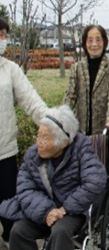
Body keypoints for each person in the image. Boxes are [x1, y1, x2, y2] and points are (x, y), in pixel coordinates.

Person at [0, 105, 107, 250]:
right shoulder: (33, 155)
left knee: (60, 231)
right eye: (38, 135)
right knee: (18, 231)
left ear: (63, 143)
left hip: (73, 209)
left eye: (44, 138)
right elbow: (25, 189)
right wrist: (47, 211)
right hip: (43, 207)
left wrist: (66, 208)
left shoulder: (82, 148)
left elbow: (96, 181)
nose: (38, 143)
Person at [0, 17, 48, 248]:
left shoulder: (11, 70)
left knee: (9, 211)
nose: (0, 39)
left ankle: (12, 241)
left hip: (5, 152)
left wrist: (53, 124)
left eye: (2, 34)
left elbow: (32, 102)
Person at [64, 24, 109, 192]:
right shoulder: (77, 68)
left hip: (105, 132)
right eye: (90, 40)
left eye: (98, 39)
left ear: (104, 42)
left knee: (105, 169)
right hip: (82, 131)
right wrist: (62, 120)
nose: (94, 44)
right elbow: (70, 96)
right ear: (84, 43)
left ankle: (107, 207)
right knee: (82, 171)